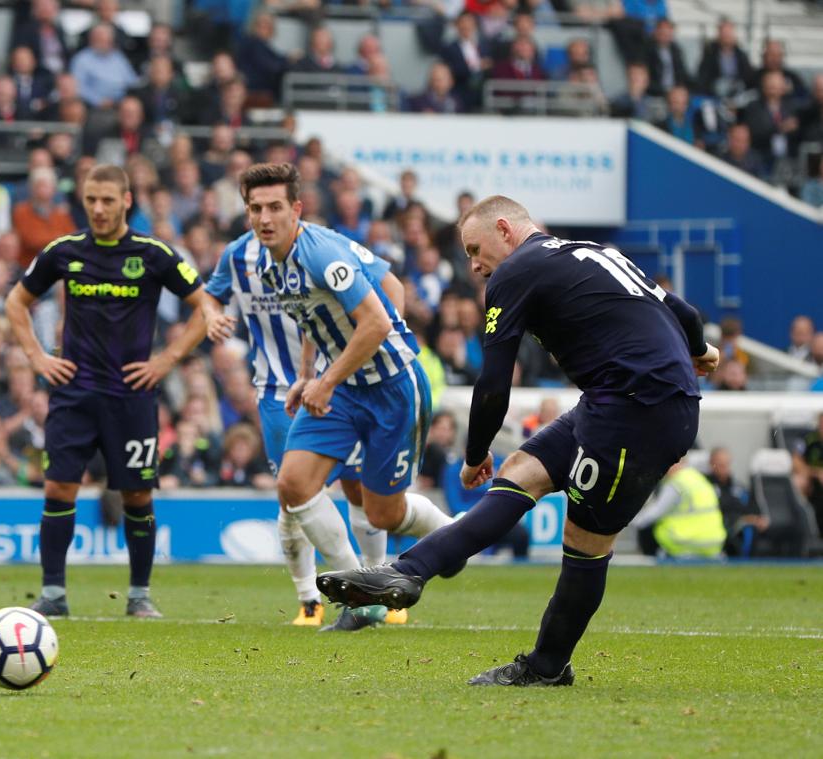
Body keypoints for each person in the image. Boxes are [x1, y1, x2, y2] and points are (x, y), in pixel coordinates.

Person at [317, 195, 719, 686]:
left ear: (505, 230)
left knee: (585, 542)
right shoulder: (594, 251)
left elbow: (493, 383)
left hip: (638, 409)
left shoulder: (515, 271)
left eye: (474, 249)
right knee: (520, 474)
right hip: (622, 401)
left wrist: (474, 452)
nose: (474, 265)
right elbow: (687, 315)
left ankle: (547, 666)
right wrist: (700, 351)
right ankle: (408, 571)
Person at [176, 169, 435, 630]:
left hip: (391, 384)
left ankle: (455, 536)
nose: (264, 217)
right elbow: (312, 317)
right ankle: (360, 597)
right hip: (337, 388)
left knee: (383, 512)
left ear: (296, 209)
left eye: (275, 207)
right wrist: (306, 375)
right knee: (293, 485)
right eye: (256, 208)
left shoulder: (321, 252)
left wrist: (327, 380)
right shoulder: (267, 261)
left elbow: (376, 321)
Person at [5, 164, 220, 618]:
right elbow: (16, 301)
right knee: (59, 487)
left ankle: (139, 595)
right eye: (91, 200)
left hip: (131, 396)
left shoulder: (153, 253)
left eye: (107, 200)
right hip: (74, 393)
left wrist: (166, 360)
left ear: (126, 200)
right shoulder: (63, 251)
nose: (98, 209)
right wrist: (37, 357)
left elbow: (205, 306)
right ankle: (54, 594)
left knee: (137, 495)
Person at [631, 458, 726, 558]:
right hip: (713, 544)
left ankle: (652, 561)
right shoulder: (698, 477)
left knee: (648, 528)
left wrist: (628, 522)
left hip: (684, 543)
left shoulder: (676, 483)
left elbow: (654, 513)